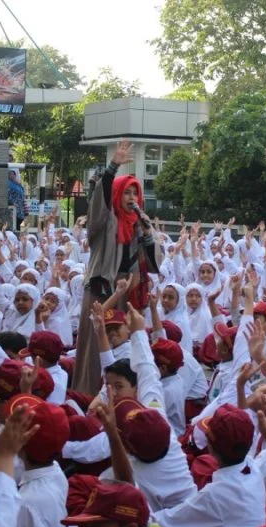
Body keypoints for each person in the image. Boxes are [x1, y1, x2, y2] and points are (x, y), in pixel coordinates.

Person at [73, 140, 162, 396]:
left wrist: (148, 234)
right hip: (104, 289)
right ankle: (90, 393)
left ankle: (125, 395)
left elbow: (155, 263)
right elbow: (98, 205)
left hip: (131, 290)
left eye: (135, 193)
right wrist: (113, 167)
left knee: (127, 342)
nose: (132, 198)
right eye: (126, 193)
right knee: (99, 342)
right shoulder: (105, 222)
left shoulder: (140, 225)